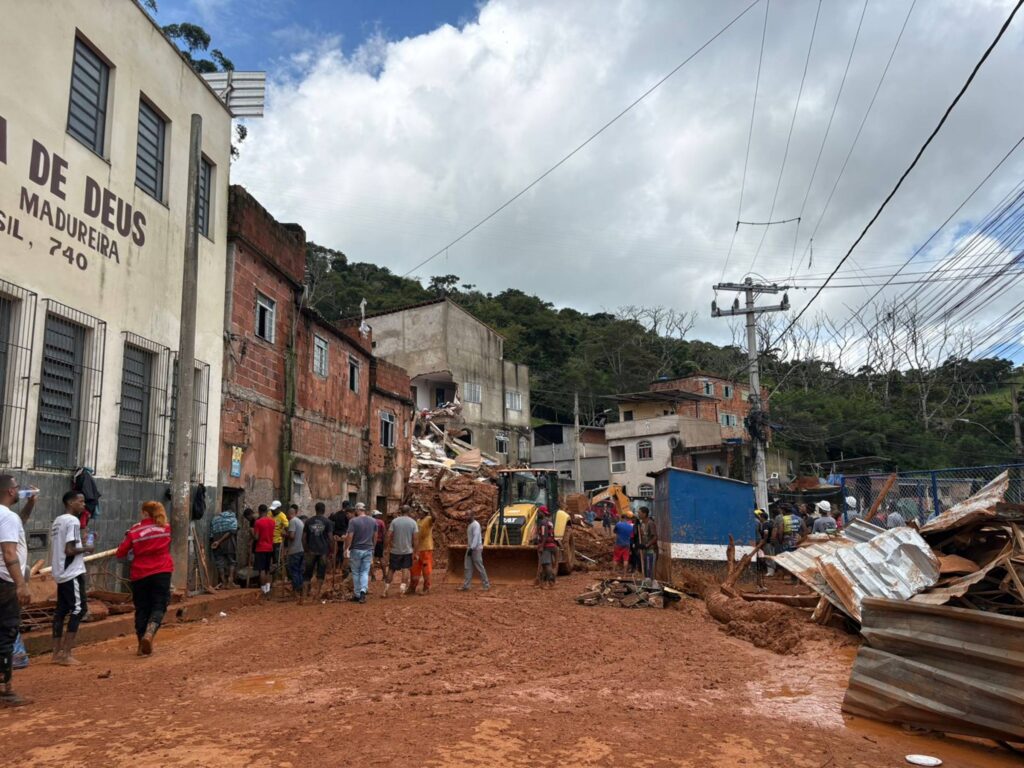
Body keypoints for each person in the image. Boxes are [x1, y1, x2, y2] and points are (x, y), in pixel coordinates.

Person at [115, 501, 173, 656]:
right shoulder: (166, 528)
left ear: (145, 513)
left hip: (140, 574)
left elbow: (120, 552)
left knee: (142, 608)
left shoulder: (134, 531)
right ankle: (150, 632)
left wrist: (128, 536)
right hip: (162, 570)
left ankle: (141, 645)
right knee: (159, 604)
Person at [1, 475, 36, 707]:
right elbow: (9, 552)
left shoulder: (8, 518)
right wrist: (21, 584)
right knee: (6, 633)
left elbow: (15, 528)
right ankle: (6, 691)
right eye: (17, 487)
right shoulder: (7, 517)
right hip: (5, 582)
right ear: (12, 491)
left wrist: (30, 505)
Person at [50, 491, 94, 665]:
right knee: (78, 609)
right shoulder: (73, 521)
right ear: (70, 502)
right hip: (71, 572)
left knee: (61, 611)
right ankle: (66, 654)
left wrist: (81, 542)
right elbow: (69, 550)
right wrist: (87, 548)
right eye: (80, 501)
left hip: (60, 571)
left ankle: (56, 654)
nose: (83, 504)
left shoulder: (58, 520)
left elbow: (66, 546)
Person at [344, 503, 376, 603]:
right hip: (368, 549)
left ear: (357, 510)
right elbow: (375, 535)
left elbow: (350, 536)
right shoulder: (373, 521)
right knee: (364, 572)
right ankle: (363, 591)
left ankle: (357, 594)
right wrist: (373, 546)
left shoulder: (353, 521)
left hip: (356, 550)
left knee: (356, 572)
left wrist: (346, 548)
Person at [301, 502, 334, 601]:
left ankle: (304, 596)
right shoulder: (328, 522)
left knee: (307, 574)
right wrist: (331, 551)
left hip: (311, 550)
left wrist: (306, 549)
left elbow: (303, 538)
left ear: (315, 509)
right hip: (323, 551)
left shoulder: (308, 521)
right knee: (321, 573)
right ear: (324, 510)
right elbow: (330, 538)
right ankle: (317, 595)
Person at [383, 505, 418, 597]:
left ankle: (385, 591)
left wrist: (385, 548)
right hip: (407, 551)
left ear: (401, 511)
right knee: (405, 570)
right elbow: (415, 539)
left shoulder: (394, 521)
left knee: (391, 569)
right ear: (409, 511)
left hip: (395, 551)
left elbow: (388, 535)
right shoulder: (413, 522)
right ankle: (402, 592)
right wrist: (415, 552)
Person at [209, 507, 239, 589]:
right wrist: (220, 541)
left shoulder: (215, 519)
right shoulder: (233, 518)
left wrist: (216, 542)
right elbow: (232, 531)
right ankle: (230, 581)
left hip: (216, 542)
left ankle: (223, 582)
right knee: (232, 562)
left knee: (220, 563)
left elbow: (211, 534)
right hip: (229, 542)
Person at [459, 515, 490, 591]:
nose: (465, 517)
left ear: (472, 516)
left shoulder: (476, 525)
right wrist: (470, 548)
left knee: (479, 567)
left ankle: (486, 585)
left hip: (476, 549)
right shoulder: (470, 525)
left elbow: (476, 537)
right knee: (467, 567)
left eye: (467, 516)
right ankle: (466, 586)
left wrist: (472, 548)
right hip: (470, 548)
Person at [252, 505, 276, 597]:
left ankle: (263, 590)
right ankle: (268, 589)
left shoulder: (258, 522)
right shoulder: (272, 521)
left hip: (260, 548)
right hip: (270, 547)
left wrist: (252, 534)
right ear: (267, 511)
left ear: (259, 511)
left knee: (261, 570)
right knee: (268, 570)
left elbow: (256, 537)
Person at [410, 507, 434, 595]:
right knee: (414, 569)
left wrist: (431, 509)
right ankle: (412, 587)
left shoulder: (429, 519)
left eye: (420, 511)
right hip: (418, 549)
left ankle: (426, 588)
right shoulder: (418, 521)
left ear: (425, 512)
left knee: (426, 569)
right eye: (419, 511)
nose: (419, 512)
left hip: (426, 548)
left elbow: (435, 518)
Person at [532, 506, 558, 589]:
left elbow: (544, 535)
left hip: (546, 545)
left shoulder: (543, 523)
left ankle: (551, 582)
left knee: (547, 565)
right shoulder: (549, 522)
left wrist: (542, 546)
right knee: (544, 565)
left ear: (542, 513)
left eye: (539, 512)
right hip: (552, 545)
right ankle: (542, 583)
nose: (538, 513)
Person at [285, 506, 305, 601]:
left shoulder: (292, 521)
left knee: (294, 571)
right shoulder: (300, 521)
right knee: (299, 571)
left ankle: (296, 591)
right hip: (301, 549)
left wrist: (285, 534)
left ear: (289, 514)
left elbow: (292, 536)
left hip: (294, 550)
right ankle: (301, 591)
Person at [637, 507, 658, 579]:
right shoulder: (642, 523)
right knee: (645, 570)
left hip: (651, 551)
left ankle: (650, 583)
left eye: (639, 513)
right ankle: (646, 582)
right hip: (644, 551)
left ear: (644, 514)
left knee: (649, 571)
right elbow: (642, 536)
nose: (638, 514)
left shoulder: (650, 523)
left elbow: (655, 537)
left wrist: (647, 545)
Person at [330, 502, 351, 572]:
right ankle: (341, 567)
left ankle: (336, 566)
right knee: (343, 550)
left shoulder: (336, 514)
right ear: (347, 506)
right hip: (344, 534)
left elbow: (330, 520)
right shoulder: (347, 515)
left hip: (335, 534)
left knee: (339, 550)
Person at [611, 511, 633, 575]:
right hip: (627, 544)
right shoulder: (631, 526)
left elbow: (614, 531)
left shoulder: (618, 524)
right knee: (625, 559)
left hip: (618, 543)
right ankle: (624, 572)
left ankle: (613, 571)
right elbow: (631, 535)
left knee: (616, 558)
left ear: (623, 518)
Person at [270, 500, 288, 572]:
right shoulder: (269, 514)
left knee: (276, 560)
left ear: (279, 508)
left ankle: (276, 574)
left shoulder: (282, 516)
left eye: (274, 509)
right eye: (272, 509)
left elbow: (287, 528)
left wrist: (285, 533)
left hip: (277, 541)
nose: (272, 511)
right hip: (268, 540)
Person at [371, 510, 386, 581]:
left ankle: (373, 577)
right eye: (378, 515)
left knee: (371, 559)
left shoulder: (369, 521)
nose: (379, 516)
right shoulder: (381, 522)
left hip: (370, 542)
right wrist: (384, 542)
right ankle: (384, 575)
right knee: (381, 558)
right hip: (379, 542)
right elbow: (384, 532)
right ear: (376, 515)